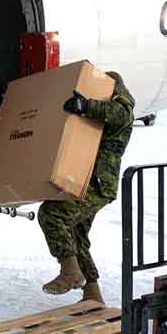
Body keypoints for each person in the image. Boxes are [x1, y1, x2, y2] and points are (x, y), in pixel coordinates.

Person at [37, 71, 135, 304]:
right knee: (77, 233)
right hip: (88, 181)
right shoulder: (105, 112)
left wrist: (86, 105)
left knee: (51, 214)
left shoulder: (123, 105)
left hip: (98, 184)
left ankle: (70, 272)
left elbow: (120, 114)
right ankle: (92, 293)